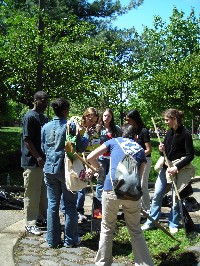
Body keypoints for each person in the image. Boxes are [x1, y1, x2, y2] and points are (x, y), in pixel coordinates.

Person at [87, 124, 154, 266]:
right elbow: (139, 178)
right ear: (136, 136)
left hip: (111, 189)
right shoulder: (140, 150)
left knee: (107, 228)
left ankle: (102, 263)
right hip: (132, 192)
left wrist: (98, 169)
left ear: (120, 134)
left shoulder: (113, 141)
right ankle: (145, 264)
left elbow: (90, 157)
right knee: (135, 230)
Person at [142, 108, 194, 234]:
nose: (165, 122)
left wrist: (177, 167)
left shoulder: (185, 134)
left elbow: (190, 155)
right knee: (158, 194)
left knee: (176, 198)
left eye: (167, 120)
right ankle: (152, 222)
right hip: (166, 168)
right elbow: (164, 152)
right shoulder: (169, 132)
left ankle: (173, 223)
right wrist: (161, 149)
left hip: (178, 170)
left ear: (174, 119)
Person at [41, 98, 83, 248]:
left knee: (52, 205)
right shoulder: (70, 126)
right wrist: (84, 136)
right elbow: (78, 148)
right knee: (70, 205)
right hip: (65, 170)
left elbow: (43, 148)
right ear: (65, 111)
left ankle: (52, 241)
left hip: (49, 169)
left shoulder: (45, 127)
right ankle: (70, 240)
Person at [21, 91, 49, 235]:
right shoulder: (30, 117)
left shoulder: (44, 117)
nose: (45, 103)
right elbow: (27, 140)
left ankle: (41, 218)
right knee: (32, 194)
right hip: (32, 162)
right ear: (35, 100)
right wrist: (38, 158)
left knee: (43, 194)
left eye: (47, 101)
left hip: (43, 162)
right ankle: (30, 223)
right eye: (43, 101)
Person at [126, 109, 152, 213]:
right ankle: (137, 208)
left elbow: (149, 149)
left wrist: (139, 156)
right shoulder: (132, 131)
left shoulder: (144, 131)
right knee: (134, 184)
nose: (127, 122)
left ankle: (147, 210)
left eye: (129, 120)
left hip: (145, 160)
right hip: (134, 160)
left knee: (142, 185)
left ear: (134, 119)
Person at [95, 108, 122, 205]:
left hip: (112, 158)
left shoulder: (116, 129)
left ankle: (111, 202)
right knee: (100, 180)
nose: (106, 118)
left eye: (109, 116)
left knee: (112, 180)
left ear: (112, 118)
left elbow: (120, 142)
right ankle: (99, 204)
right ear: (102, 116)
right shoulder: (98, 128)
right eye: (105, 115)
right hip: (101, 158)